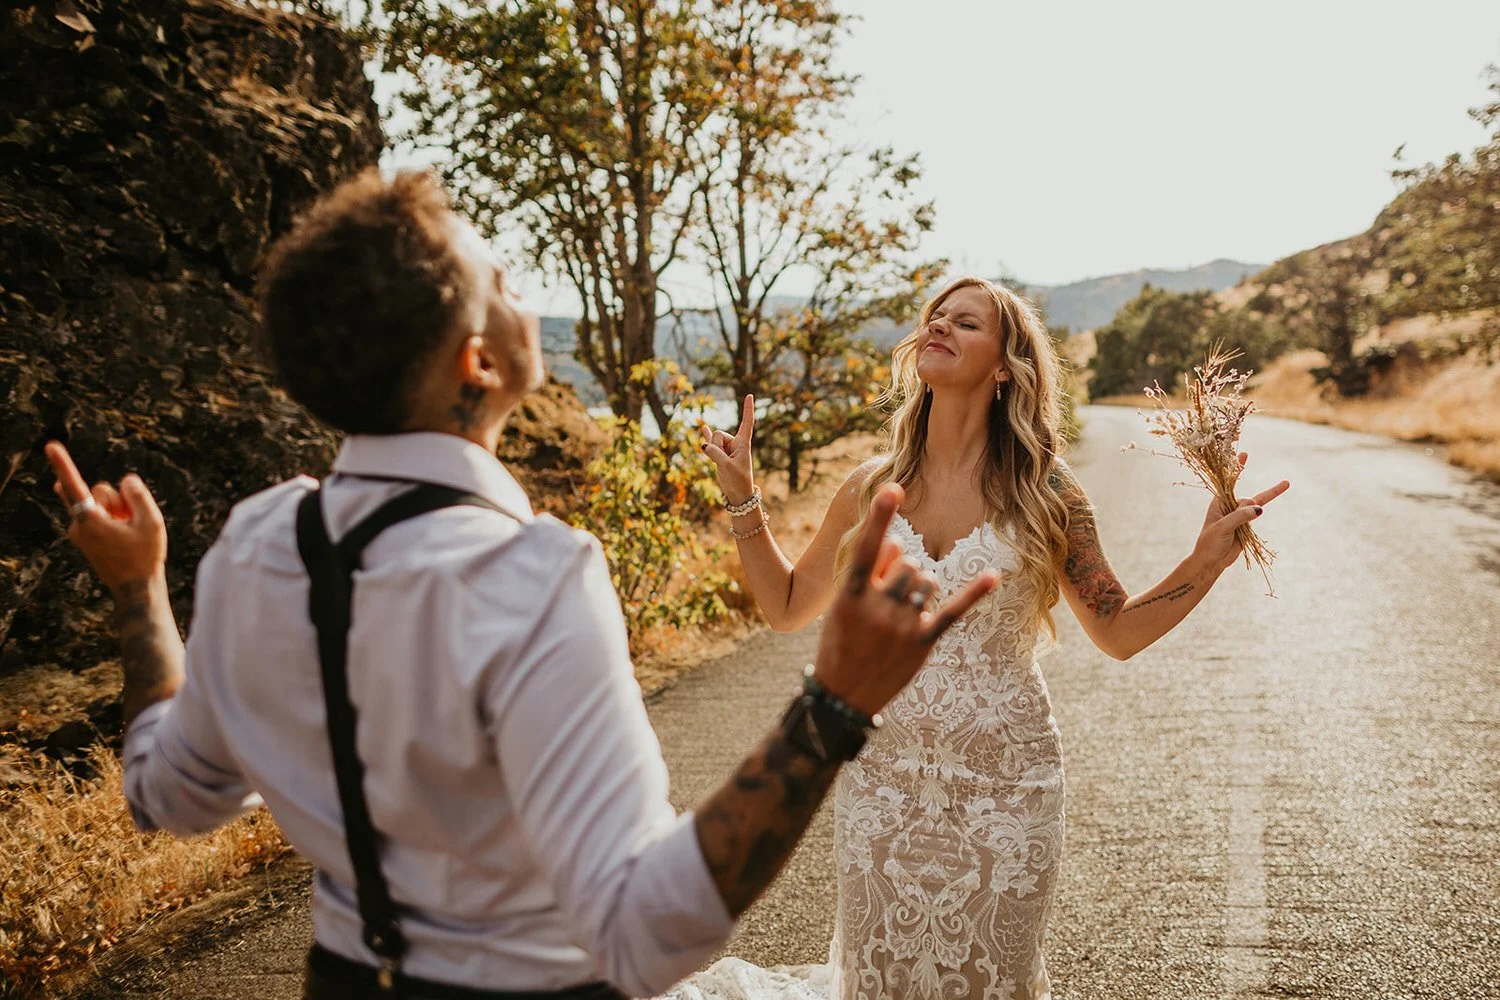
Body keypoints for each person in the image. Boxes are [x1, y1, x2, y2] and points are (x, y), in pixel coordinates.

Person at [43, 170, 997, 1000]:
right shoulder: (530, 577)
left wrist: (140, 593)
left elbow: (167, 796)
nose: (521, 290)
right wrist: (834, 707)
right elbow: (643, 934)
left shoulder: (258, 544)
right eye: (499, 280)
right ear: (479, 362)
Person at [685, 276, 1291, 999]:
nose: (939, 326)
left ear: (1006, 365)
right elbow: (786, 607)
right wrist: (742, 497)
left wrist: (1204, 562)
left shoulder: (1050, 493)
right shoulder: (868, 486)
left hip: (1008, 790)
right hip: (882, 784)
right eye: (935, 318)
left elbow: (1118, 632)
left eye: (965, 323)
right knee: (877, 982)